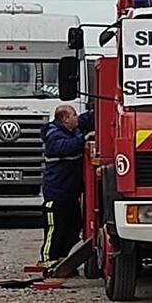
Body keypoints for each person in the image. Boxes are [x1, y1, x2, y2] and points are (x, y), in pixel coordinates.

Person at [40, 105, 94, 276]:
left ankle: (64, 262)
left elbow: (86, 120)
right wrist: (84, 139)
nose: (77, 118)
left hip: (70, 194)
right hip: (57, 194)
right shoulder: (54, 135)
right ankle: (48, 262)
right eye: (74, 115)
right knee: (55, 230)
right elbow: (65, 147)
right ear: (64, 119)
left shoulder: (72, 130)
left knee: (73, 228)